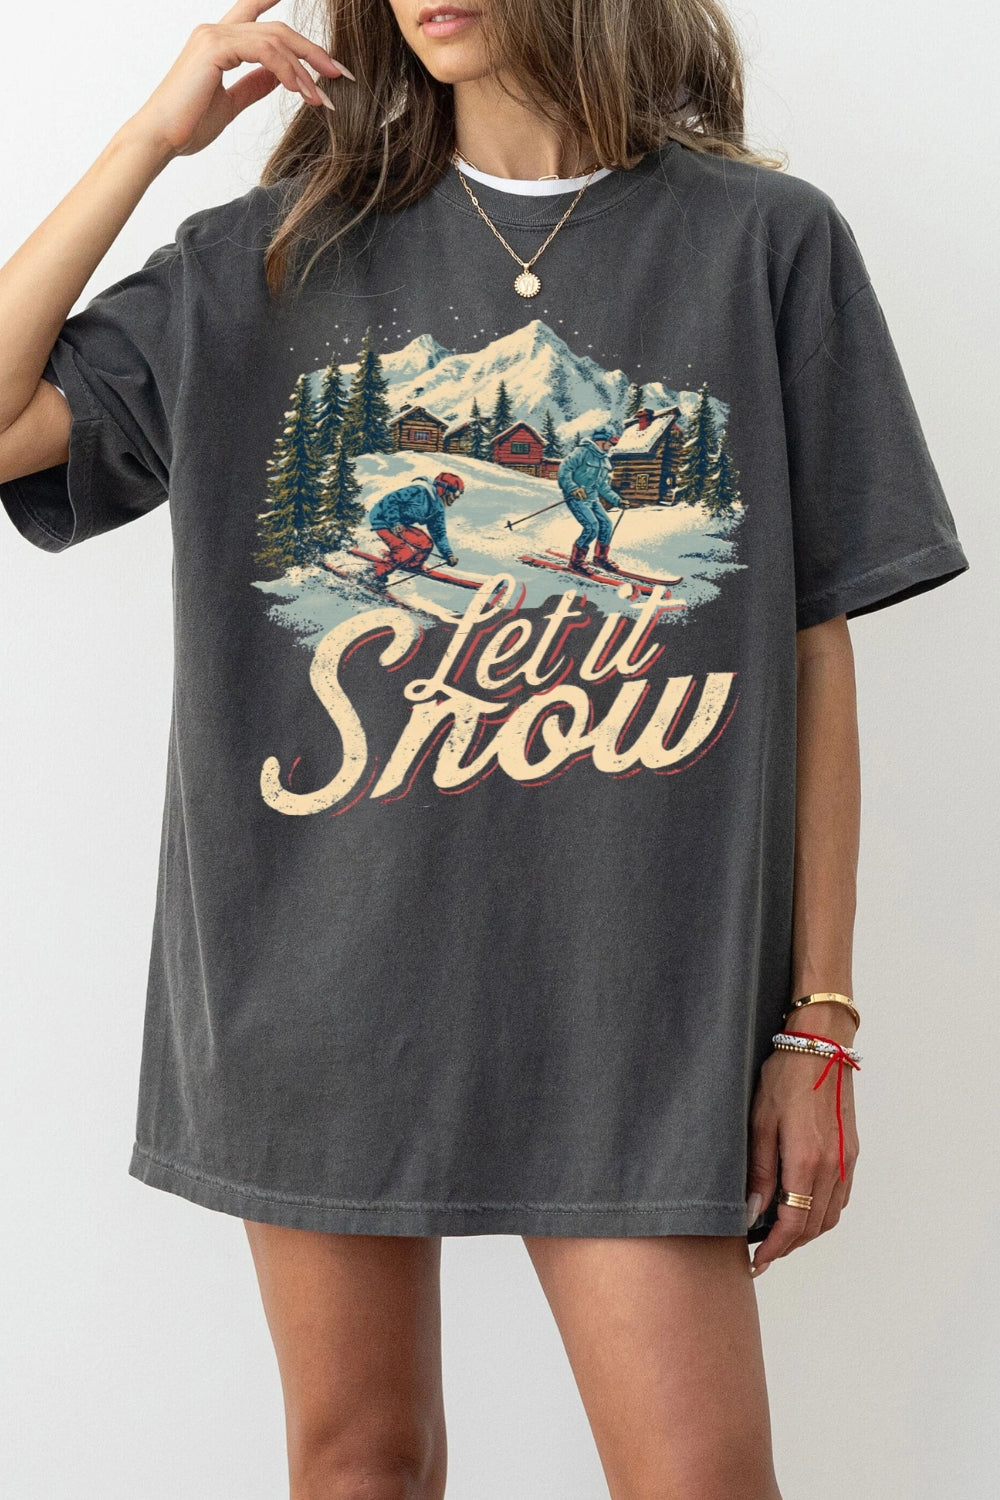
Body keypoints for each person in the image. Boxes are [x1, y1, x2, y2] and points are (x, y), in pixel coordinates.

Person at [0, 1, 971, 1497]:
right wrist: (148, 140)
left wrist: (818, 1021)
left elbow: (811, 644)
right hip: (318, 986)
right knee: (359, 1466)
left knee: (700, 1477)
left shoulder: (761, 243)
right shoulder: (269, 253)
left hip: (633, 1008)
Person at [556, 424, 627, 575]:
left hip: (592, 498)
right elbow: (564, 470)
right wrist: (573, 488)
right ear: (601, 441)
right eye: (610, 443)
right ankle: (576, 562)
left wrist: (617, 500)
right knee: (592, 526)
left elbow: (602, 486)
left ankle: (600, 558)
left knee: (606, 524)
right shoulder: (582, 452)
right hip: (576, 497)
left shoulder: (604, 459)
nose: (611, 447)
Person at [368, 470, 463, 577]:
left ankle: (412, 565)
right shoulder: (418, 491)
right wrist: (394, 522)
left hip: (400, 525)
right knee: (403, 551)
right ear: (444, 489)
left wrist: (448, 554)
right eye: (456, 494)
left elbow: (439, 532)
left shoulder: (438, 508)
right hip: (382, 519)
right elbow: (391, 500)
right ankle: (374, 573)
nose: (456, 498)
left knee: (426, 544)